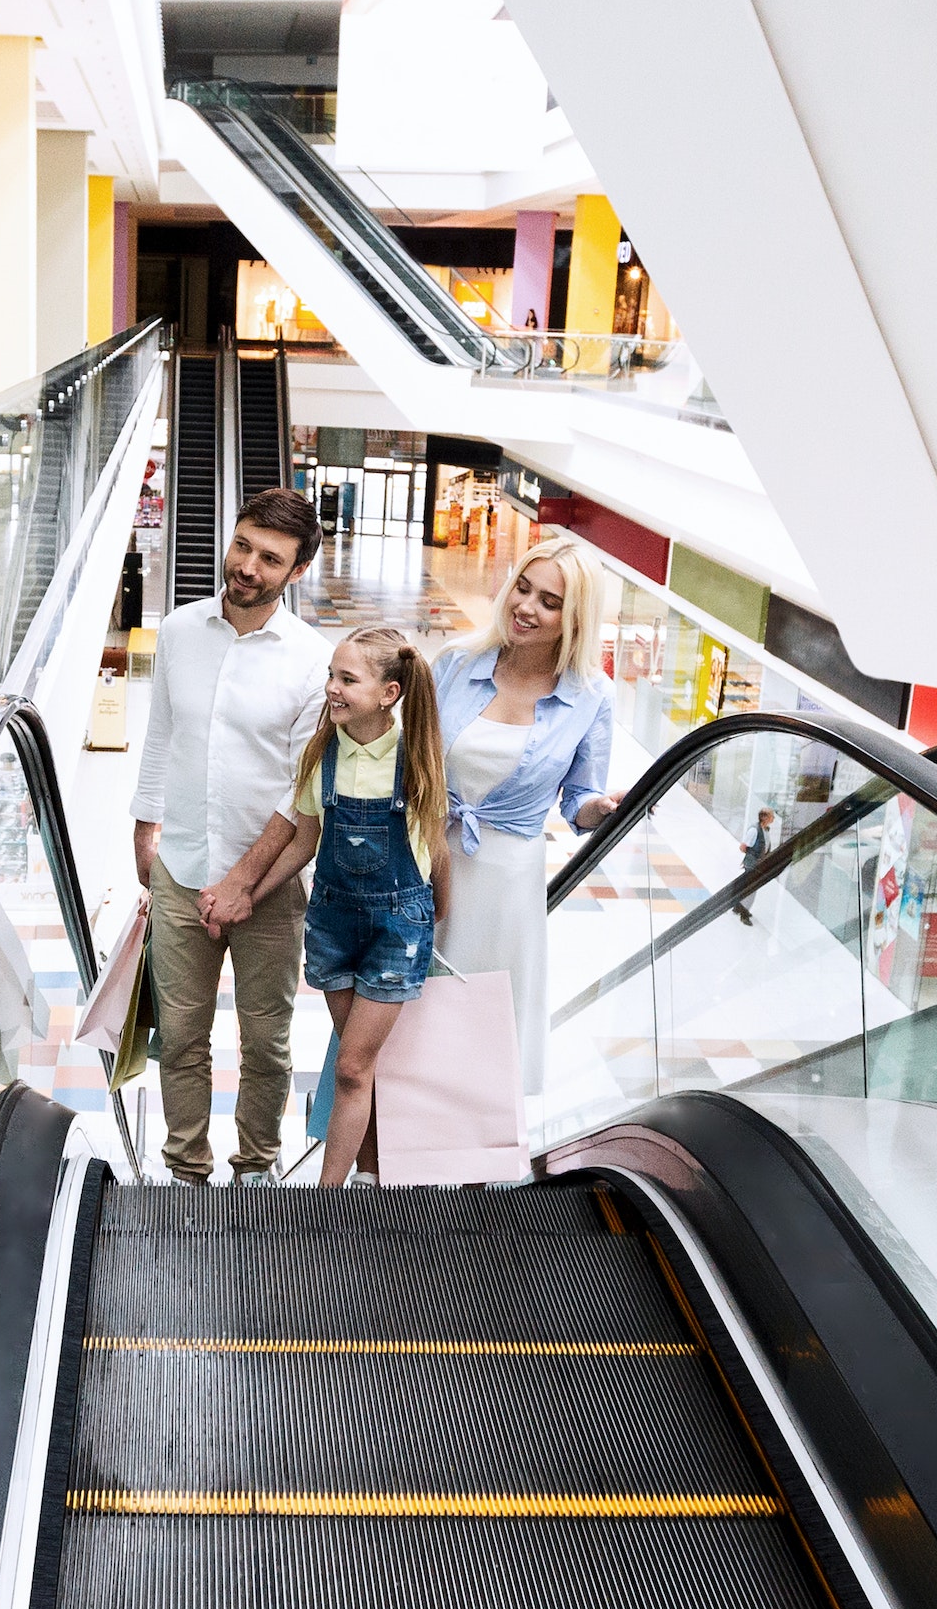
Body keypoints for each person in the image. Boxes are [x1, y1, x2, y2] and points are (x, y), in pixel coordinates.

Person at [132, 488, 329, 1185]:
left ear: (296, 572)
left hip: (268, 890)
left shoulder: (312, 661)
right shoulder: (180, 631)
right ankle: (185, 1167)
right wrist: (143, 827)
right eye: (243, 544)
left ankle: (256, 1168)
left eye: (269, 558)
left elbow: (301, 794)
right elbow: (161, 735)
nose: (247, 566)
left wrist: (245, 883)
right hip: (180, 869)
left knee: (266, 1045)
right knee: (180, 1038)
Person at [241, 625, 450, 1187]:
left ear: (389, 693)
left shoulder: (417, 761)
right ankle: (372, 1175)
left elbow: (437, 850)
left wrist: (440, 922)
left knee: (353, 1065)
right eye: (331, 675)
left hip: (396, 930)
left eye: (347, 679)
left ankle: (326, 1200)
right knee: (361, 1070)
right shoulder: (323, 755)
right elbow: (303, 842)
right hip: (333, 924)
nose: (331, 688)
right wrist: (249, 896)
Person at [431, 537, 620, 1105]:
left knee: (486, 1025)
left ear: (575, 620)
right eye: (523, 587)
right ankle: (394, 1161)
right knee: (411, 1013)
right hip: (428, 861)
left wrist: (601, 811)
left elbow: (579, 797)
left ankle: (472, 1174)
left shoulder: (592, 697)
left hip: (507, 882)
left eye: (551, 602)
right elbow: (406, 763)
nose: (527, 607)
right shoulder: (455, 663)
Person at [735, 807, 777, 924]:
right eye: (771, 816)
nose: (773, 818)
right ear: (764, 817)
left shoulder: (766, 830)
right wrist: (752, 858)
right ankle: (744, 913)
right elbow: (743, 847)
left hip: (759, 864)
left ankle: (738, 907)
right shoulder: (754, 830)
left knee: (748, 886)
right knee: (751, 889)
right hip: (753, 864)